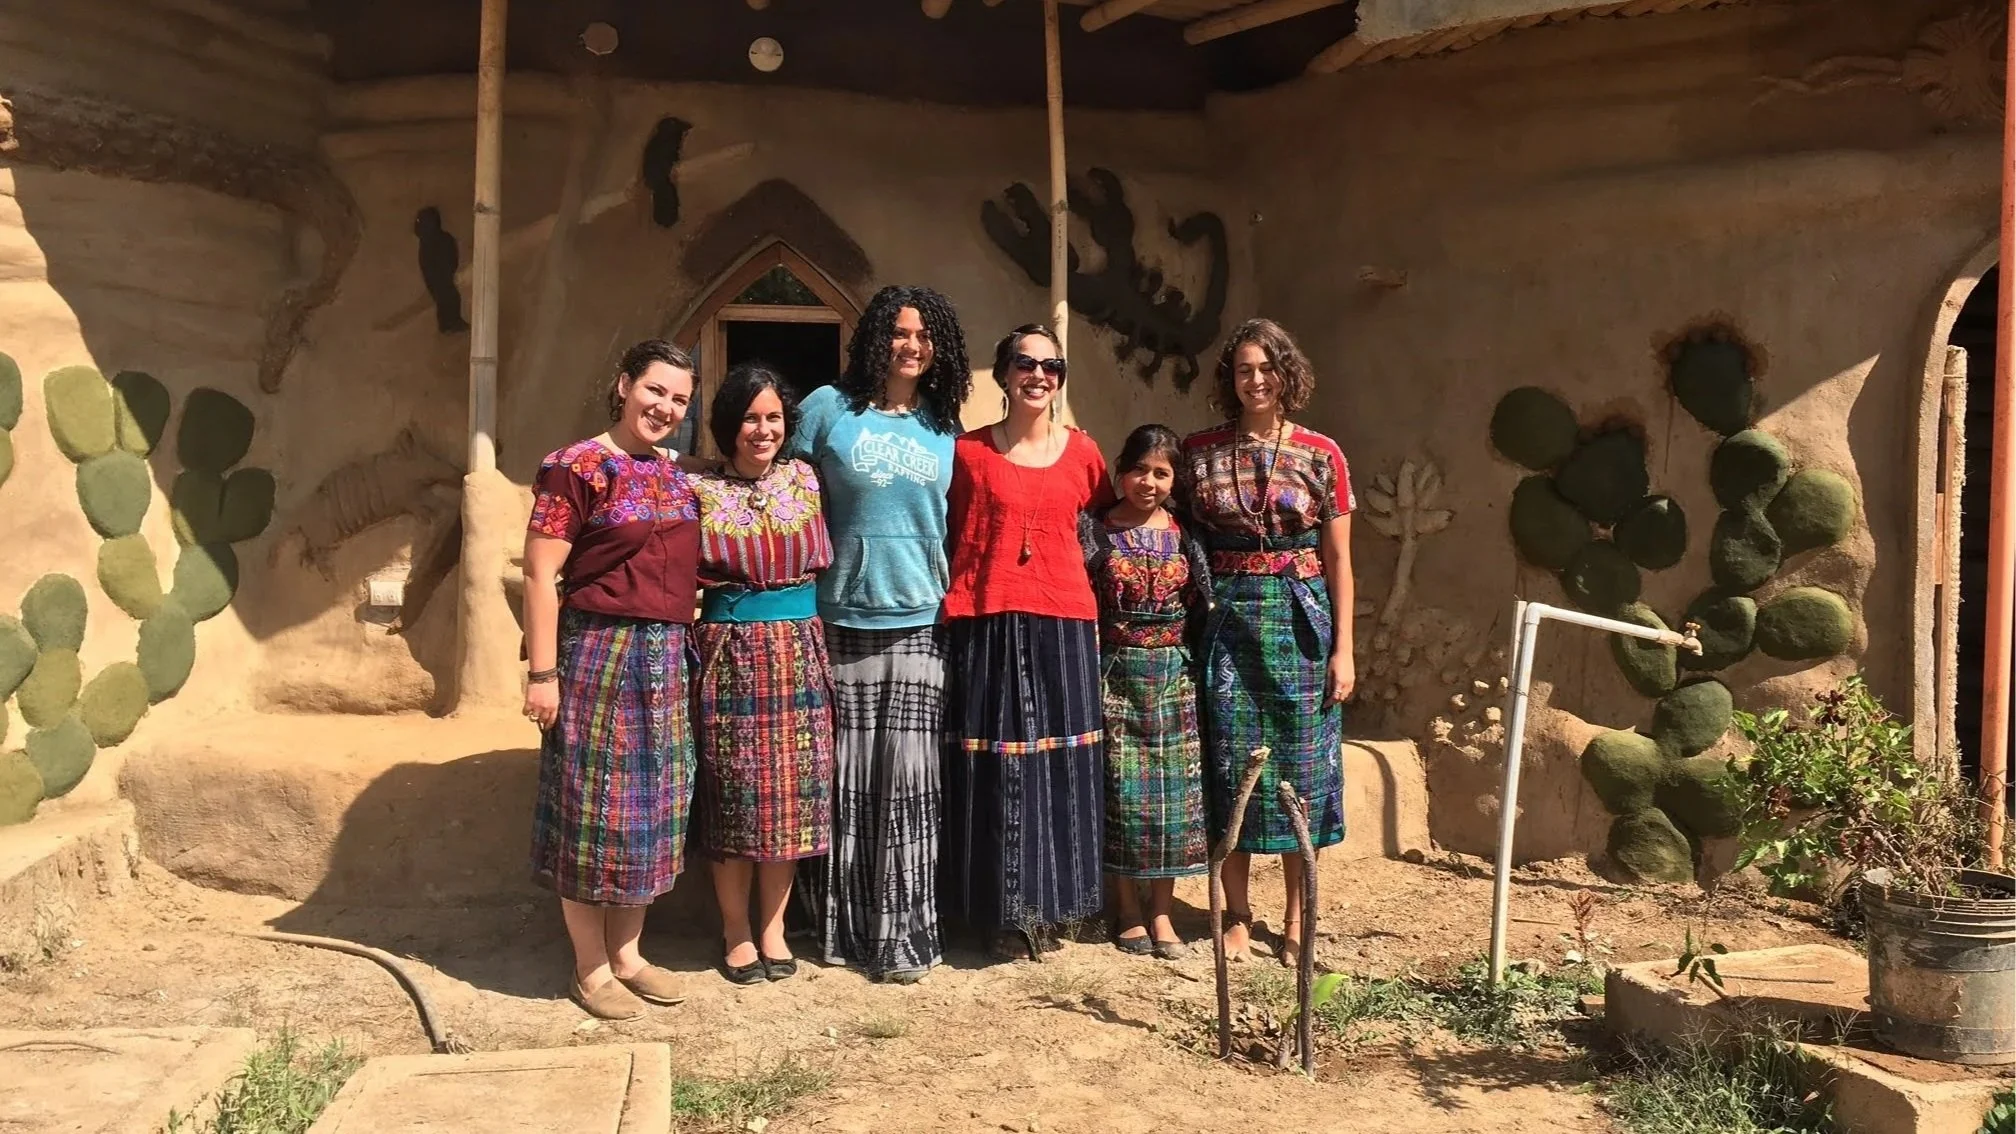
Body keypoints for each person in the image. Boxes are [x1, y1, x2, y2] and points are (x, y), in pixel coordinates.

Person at [789, 285, 971, 983]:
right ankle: (838, 929)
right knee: (844, 785)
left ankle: (903, 935)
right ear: (874, 337)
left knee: (909, 785)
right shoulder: (827, 411)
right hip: (838, 620)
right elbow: (789, 498)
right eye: (899, 332)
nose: (911, 345)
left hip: (921, 622)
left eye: (924, 334)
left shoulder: (941, 426)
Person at [523, 339, 702, 1020]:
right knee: (590, 810)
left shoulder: (676, 476)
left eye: (680, 399)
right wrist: (543, 674)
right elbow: (540, 573)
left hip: (665, 658)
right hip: (598, 652)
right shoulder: (575, 467)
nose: (665, 408)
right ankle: (590, 967)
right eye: (655, 390)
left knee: (652, 811)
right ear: (624, 385)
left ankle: (629, 955)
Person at [1182, 318, 1356, 969]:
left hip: (1300, 625)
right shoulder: (1197, 452)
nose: (1255, 381)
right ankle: (1235, 914)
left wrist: (1345, 650)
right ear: (1230, 379)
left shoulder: (1322, 454)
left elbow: (1339, 561)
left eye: (1266, 369)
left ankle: (1294, 917)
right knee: (1230, 768)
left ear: (1286, 375)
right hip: (1225, 626)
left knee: (1301, 773)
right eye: (1243, 370)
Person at [942, 323, 1114, 961]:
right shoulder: (968, 454)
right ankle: (997, 914)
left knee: (1063, 763)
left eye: (1052, 366)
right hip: (986, 613)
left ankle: (1062, 906)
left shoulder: (1085, 455)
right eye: (1025, 363)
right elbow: (950, 529)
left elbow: (1100, 529)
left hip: (1064, 617)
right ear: (1004, 373)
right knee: (992, 765)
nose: (1038, 375)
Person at [691, 363, 835, 985]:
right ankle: (735, 931)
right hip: (730, 655)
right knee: (736, 797)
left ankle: (775, 929)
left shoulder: (806, 479)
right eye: (750, 417)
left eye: (773, 417)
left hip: (799, 650)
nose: (763, 429)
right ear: (728, 424)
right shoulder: (698, 491)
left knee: (790, 802)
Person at [1079, 425, 1212, 960]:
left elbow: (1204, 609)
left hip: (1173, 677)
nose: (1148, 482)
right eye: (1139, 470)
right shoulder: (1094, 530)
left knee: (1173, 803)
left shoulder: (1187, 534)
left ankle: (1162, 911)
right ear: (1120, 471)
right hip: (1114, 674)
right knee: (1122, 794)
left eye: (1161, 472)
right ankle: (1127, 910)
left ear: (1174, 479)